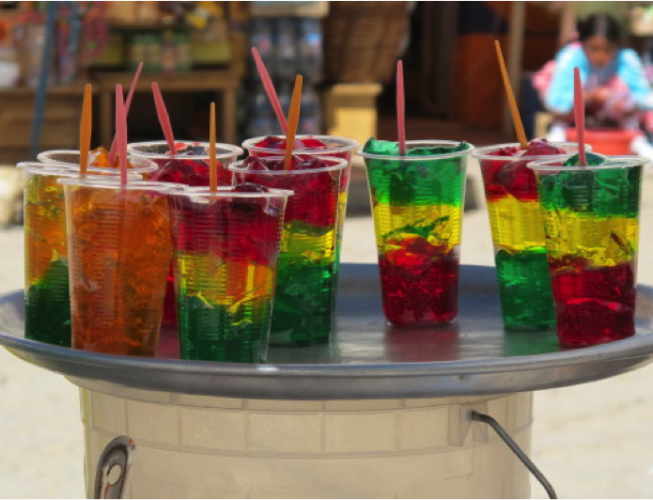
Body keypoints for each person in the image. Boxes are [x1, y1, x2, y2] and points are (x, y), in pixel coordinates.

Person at [533, 13, 653, 156]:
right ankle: (557, 138)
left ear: (617, 46)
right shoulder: (571, 57)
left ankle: (637, 140)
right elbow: (556, 105)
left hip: (617, 125)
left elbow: (645, 98)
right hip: (570, 122)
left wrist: (623, 103)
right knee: (563, 115)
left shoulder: (626, 58)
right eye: (594, 48)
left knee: (623, 91)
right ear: (583, 45)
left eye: (608, 49)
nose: (600, 56)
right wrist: (588, 97)